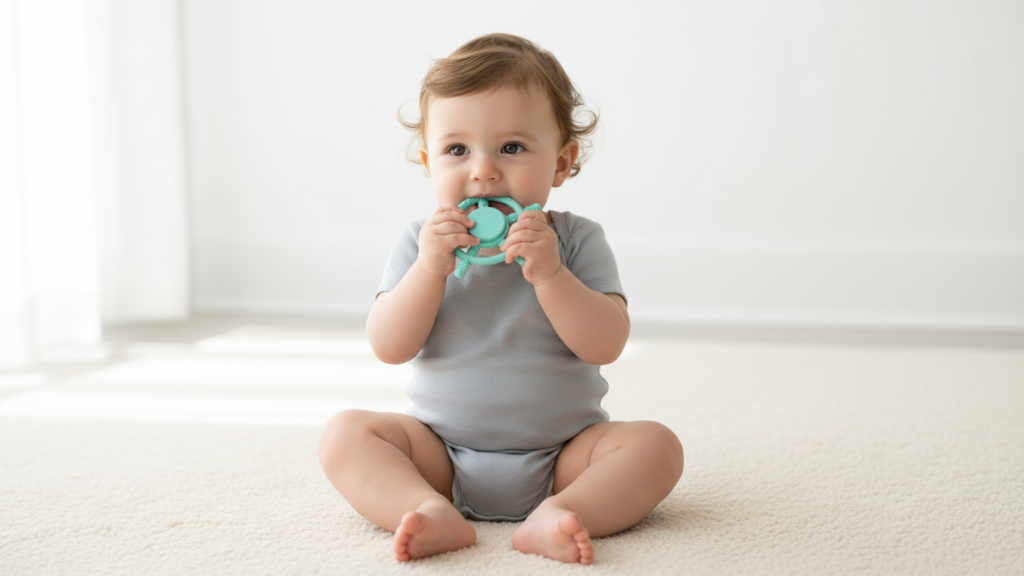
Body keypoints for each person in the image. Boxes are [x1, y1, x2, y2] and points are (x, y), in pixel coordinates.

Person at [317, 33, 683, 565]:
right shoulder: (421, 242)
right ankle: (423, 507)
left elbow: (605, 344)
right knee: (345, 433)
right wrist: (429, 271)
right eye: (456, 149)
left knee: (656, 446)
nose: (483, 170)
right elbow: (389, 346)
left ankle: (563, 512)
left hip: (564, 456)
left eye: (511, 147)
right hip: (439, 456)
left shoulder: (576, 240)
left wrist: (552, 274)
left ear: (561, 163)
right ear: (428, 162)